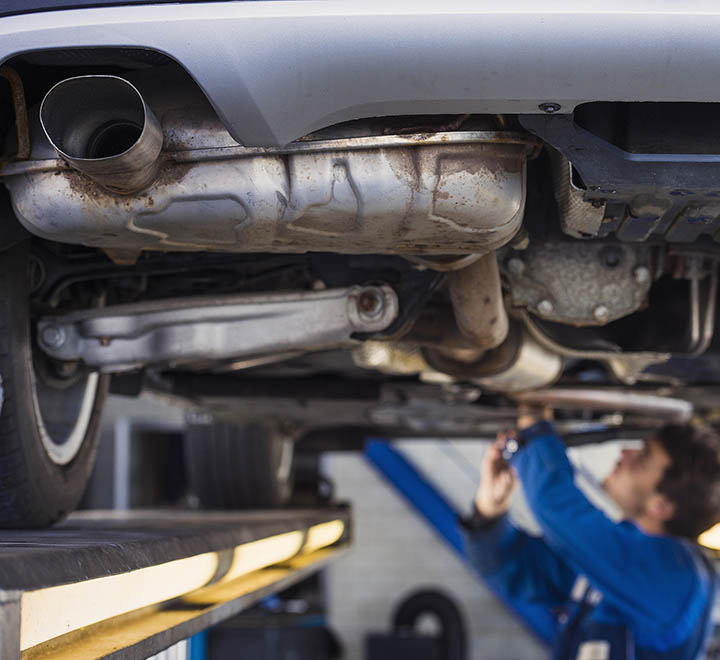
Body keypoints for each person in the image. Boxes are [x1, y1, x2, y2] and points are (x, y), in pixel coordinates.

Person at [462, 413, 720, 659]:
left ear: (661, 507)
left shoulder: (676, 577)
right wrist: (489, 510)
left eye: (642, 459)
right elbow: (513, 569)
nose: (625, 454)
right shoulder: (614, 569)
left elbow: (560, 512)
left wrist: (535, 430)